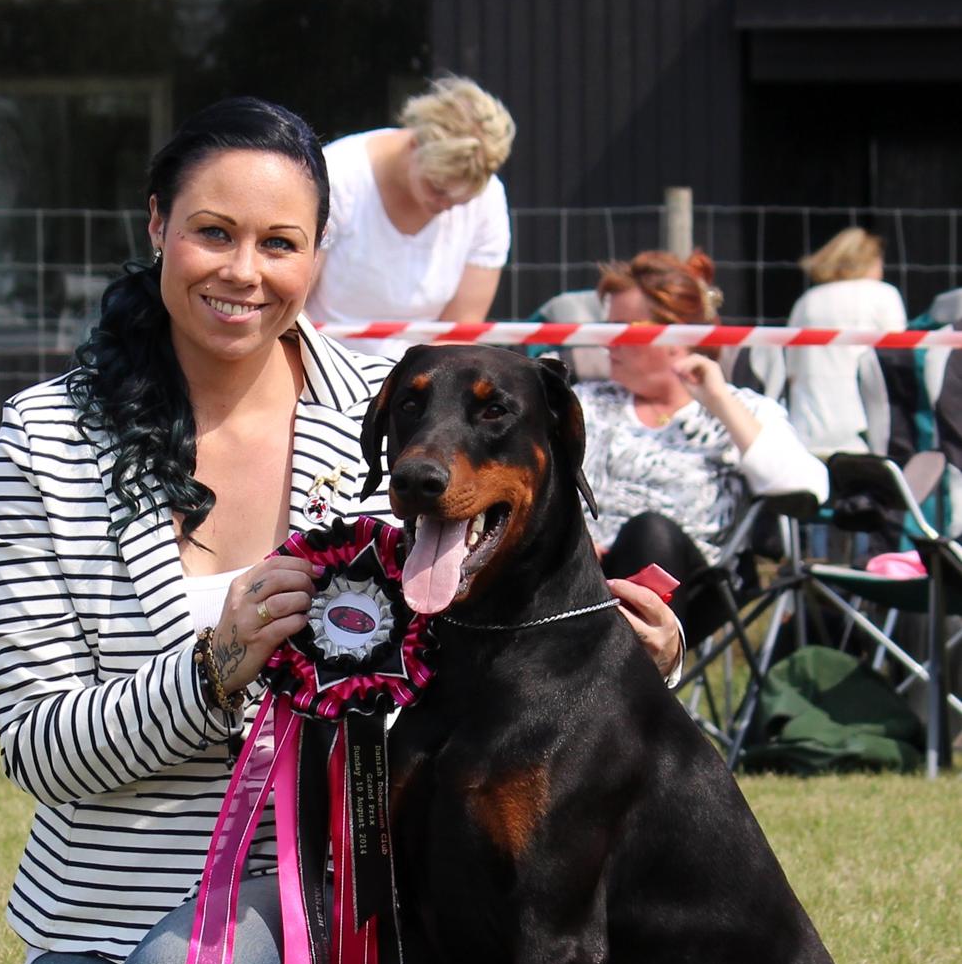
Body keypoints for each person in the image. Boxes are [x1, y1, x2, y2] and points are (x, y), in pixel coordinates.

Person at [0, 97, 683, 964]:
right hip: (102, 919)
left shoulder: (400, 410)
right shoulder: (48, 439)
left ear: (317, 254)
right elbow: (38, 746)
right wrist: (209, 671)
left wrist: (626, 656)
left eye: (278, 243)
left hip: (340, 920)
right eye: (211, 233)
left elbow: (522, 613)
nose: (242, 272)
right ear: (156, 227)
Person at [577, 249, 829, 640]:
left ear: (676, 337)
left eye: (625, 328)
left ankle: (639, 671)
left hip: (692, 590)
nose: (610, 343)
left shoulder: (740, 409)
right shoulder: (586, 403)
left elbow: (803, 487)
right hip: (578, 583)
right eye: (607, 328)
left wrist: (719, 401)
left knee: (651, 532)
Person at [308, 75, 515, 357]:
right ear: (414, 143)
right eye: (437, 187)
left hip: (418, 379)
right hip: (323, 363)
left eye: (461, 201)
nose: (446, 205)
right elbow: (293, 304)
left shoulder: (488, 200)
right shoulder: (337, 178)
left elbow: (461, 331)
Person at [784, 226, 908, 458]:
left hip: (808, 428)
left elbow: (792, 371)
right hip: (864, 429)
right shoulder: (883, 294)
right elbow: (896, 360)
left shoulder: (806, 302)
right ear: (868, 260)